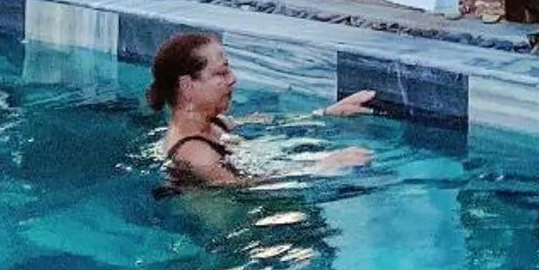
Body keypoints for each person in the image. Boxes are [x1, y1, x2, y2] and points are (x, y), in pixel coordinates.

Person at [148, 30, 375, 188]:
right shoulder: (196, 154)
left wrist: (324, 113)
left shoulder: (214, 124)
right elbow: (245, 188)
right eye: (221, 73)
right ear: (187, 86)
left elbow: (266, 121)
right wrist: (322, 166)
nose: (233, 79)